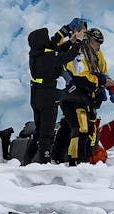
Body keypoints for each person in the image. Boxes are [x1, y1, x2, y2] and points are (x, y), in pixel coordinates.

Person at [26, 19, 84, 163]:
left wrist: (70, 40)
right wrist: (78, 42)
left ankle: (26, 160)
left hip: (36, 95)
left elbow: (55, 49)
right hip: (47, 96)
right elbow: (67, 56)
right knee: (46, 133)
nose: (48, 40)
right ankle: (44, 162)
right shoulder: (48, 57)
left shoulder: (36, 54)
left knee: (38, 131)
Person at [60, 27, 114, 165]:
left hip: (88, 98)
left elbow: (102, 70)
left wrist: (110, 86)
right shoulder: (78, 53)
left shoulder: (96, 54)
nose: (99, 46)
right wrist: (101, 81)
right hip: (75, 97)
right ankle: (76, 160)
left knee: (88, 130)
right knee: (80, 129)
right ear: (89, 40)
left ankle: (83, 159)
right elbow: (80, 77)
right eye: (97, 43)